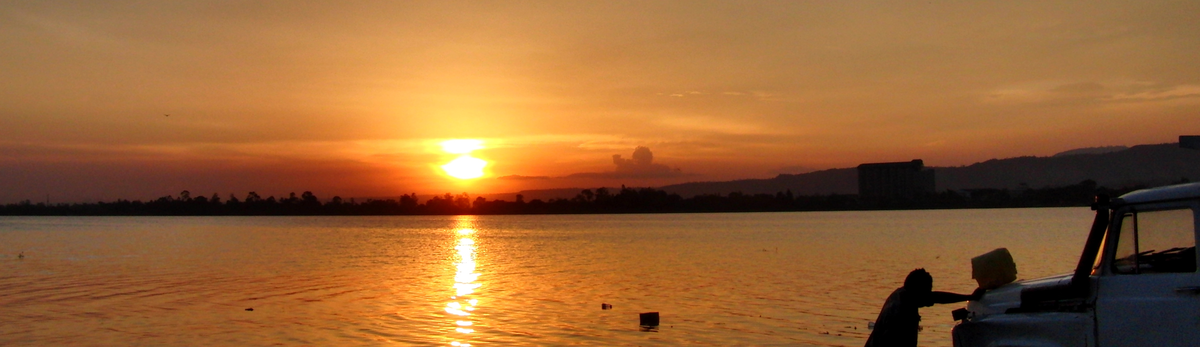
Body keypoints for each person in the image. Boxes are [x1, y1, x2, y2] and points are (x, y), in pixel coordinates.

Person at [864, 268, 984, 347]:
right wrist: (971, 297)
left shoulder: (900, 295)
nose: (929, 296)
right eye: (927, 291)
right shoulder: (902, 311)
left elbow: (937, 297)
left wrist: (970, 297)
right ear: (918, 290)